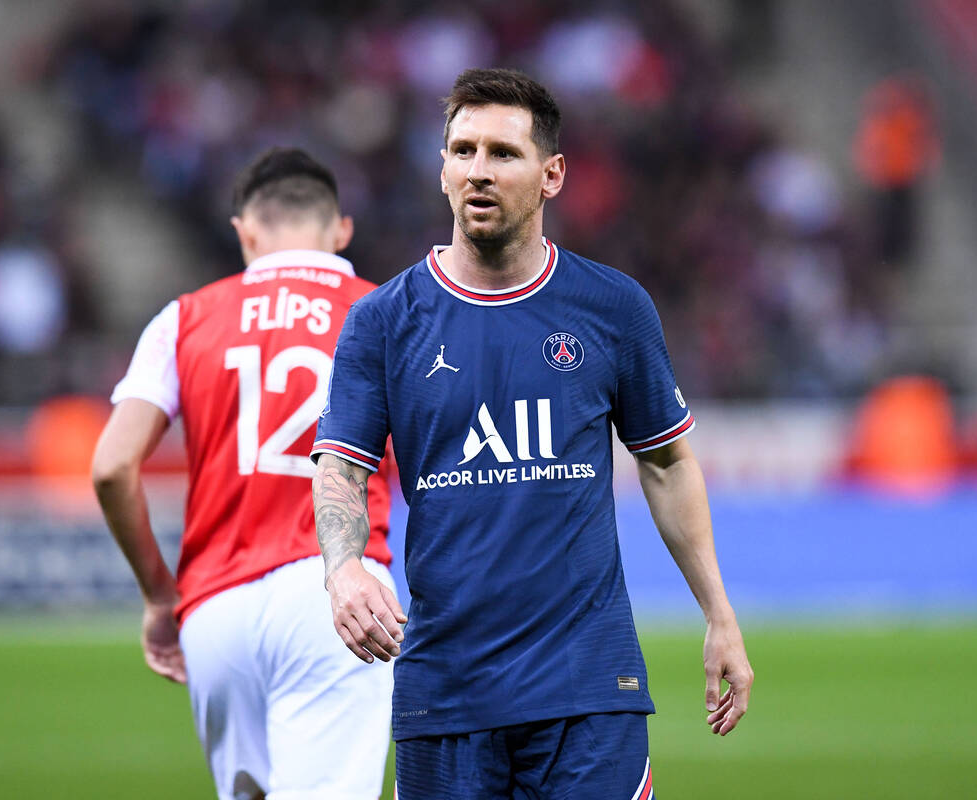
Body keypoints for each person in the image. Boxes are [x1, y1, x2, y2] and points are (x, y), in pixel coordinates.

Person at [311, 68, 753, 798]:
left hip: (589, 690)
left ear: (551, 175)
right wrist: (343, 570)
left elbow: (669, 464)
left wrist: (720, 615)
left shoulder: (612, 308)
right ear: (442, 168)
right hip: (445, 691)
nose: (477, 171)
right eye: (462, 150)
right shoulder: (384, 321)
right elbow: (340, 468)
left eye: (502, 154)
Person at [93, 147, 397, 800]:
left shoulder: (185, 317)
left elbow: (112, 467)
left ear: (245, 231)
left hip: (215, 607)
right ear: (341, 230)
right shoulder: (387, 313)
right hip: (337, 593)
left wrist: (157, 595)